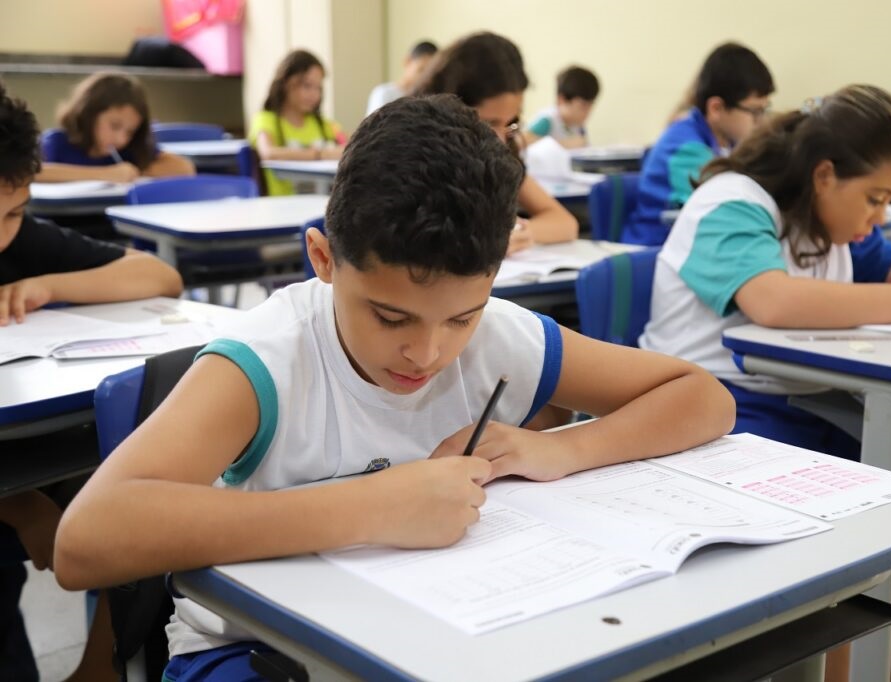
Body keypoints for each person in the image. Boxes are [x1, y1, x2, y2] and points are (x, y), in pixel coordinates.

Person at [53, 94, 735, 679]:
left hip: (432, 633)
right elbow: (85, 541)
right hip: (252, 651)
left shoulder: (500, 335)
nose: (428, 352)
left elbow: (702, 397)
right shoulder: (267, 359)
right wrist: (373, 507)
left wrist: (562, 449)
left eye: (462, 316)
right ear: (324, 259)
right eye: (388, 316)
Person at [640, 85, 891, 682]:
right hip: (711, 414)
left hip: (803, 409)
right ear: (825, 175)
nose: (878, 216)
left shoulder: (834, 220)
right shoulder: (734, 203)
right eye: (873, 198)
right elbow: (772, 301)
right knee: (853, 530)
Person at [0, 82, 182, 682]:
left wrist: (50, 284)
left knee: (143, 498)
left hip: (24, 454)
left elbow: (158, 276)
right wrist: (20, 505)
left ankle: (99, 667)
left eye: (13, 212)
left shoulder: (19, 238)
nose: (2, 234)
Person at [415, 32, 579, 254]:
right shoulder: (413, 153)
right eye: (490, 123)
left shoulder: (501, 154)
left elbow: (565, 223)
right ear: (451, 109)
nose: (501, 139)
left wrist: (521, 232)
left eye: (510, 122)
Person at [623, 42, 774, 246]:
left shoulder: (727, 142)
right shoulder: (685, 148)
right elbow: (723, 209)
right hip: (653, 250)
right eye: (755, 111)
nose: (761, 121)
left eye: (764, 110)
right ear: (716, 108)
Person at [38, 72, 195, 183]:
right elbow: (33, 173)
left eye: (130, 131)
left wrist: (134, 172)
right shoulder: (57, 142)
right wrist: (106, 174)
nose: (121, 139)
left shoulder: (130, 149)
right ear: (89, 114)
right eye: (114, 126)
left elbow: (185, 168)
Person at [250, 49, 347, 195]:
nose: (314, 94)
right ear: (285, 82)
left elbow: (349, 146)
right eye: (307, 86)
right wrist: (319, 154)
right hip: (282, 206)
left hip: (322, 202)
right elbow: (269, 153)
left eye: (318, 88)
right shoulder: (266, 119)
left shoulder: (323, 124)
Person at [524, 65, 600, 149]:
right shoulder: (547, 120)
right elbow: (521, 143)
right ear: (562, 100)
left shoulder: (578, 126)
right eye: (583, 106)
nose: (588, 111)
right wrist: (563, 145)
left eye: (591, 105)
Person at [365, 40, 438, 115]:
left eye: (430, 73)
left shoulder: (429, 98)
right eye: (421, 70)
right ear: (407, 61)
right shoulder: (384, 94)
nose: (425, 78)